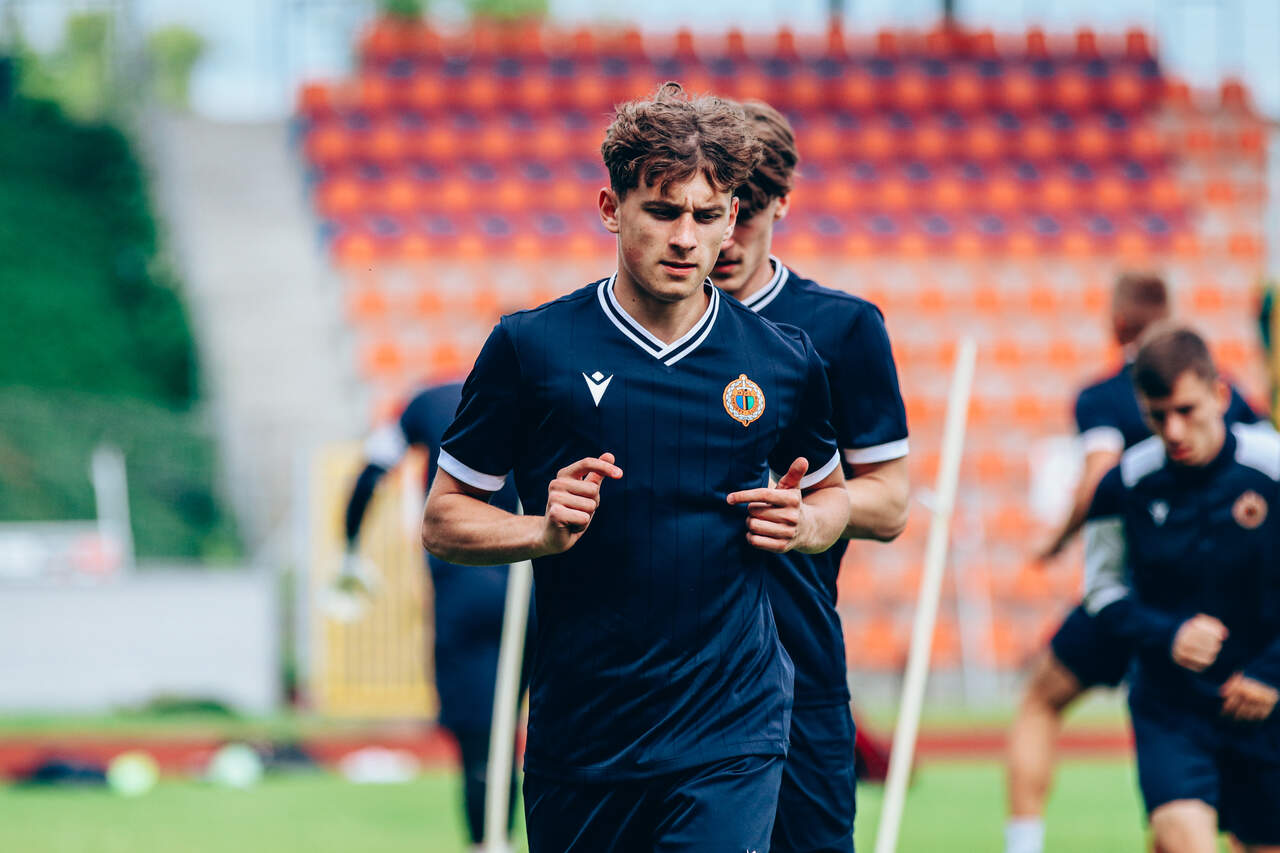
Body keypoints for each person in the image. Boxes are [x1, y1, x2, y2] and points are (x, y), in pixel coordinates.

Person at [421, 83, 852, 852]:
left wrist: (808, 522)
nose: (686, 238)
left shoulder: (783, 360)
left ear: (732, 219)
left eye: (707, 216)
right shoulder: (531, 348)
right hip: (582, 740)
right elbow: (443, 518)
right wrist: (540, 531)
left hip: (731, 729)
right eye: (662, 211)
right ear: (610, 209)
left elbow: (833, 498)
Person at [708, 100, 909, 853]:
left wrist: (816, 516)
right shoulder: (637, 329)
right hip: (663, 670)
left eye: (750, 212)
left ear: (783, 203)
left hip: (797, 660)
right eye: (717, 212)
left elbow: (890, 501)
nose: (729, 238)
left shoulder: (842, 327)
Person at [1004, 275, 1259, 853]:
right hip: (1207, 606)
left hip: (1141, 595)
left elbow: (1097, 475)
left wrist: (1057, 540)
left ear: (1117, 322)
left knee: (1041, 702)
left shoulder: (1100, 396)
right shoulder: (1230, 391)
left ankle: (1023, 844)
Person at [1082, 326, 1280, 853]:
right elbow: (1101, 592)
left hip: (1266, 708)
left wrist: (1270, 673)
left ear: (1220, 395)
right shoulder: (1124, 484)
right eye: (1157, 416)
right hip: (1172, 709)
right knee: (1184, 840)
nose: (1173, 431)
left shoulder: (1272, 467)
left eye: (1186, 411)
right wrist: (1169, 634)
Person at [340, 383, 524, 853]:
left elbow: (371, 473)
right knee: (544, 729)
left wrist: (350, 552)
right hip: (538, 580)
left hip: (467, 581)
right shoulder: (541, 389)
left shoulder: (427, 402)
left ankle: (490, 842)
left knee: (481, 738)